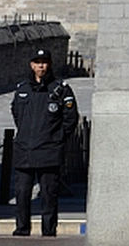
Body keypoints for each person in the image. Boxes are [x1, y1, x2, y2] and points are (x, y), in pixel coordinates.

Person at [9, 47, 78, 236]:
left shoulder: (61, 89)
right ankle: (22, 230)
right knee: (22, 194)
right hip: (25, 150)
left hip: (49, 152)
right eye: (38, 63)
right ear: (32, 65)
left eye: (45, 63)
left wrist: (56, 138)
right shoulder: (22, 89)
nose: (41, 66)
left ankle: (48, 233)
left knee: (49, 195)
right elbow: (16, 113)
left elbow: (70, 119)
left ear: (50, 64)